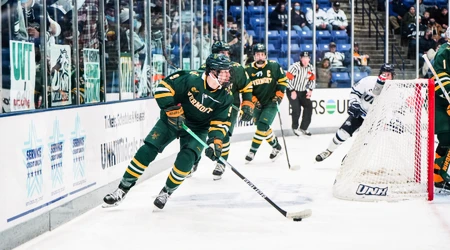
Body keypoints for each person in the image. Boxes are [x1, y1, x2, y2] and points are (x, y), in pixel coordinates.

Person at [103, 53, 233, 209]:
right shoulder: (190, 78)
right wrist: (172, 110)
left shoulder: (226, 96)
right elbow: (163, 88)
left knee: (186, 160)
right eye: (223, 71)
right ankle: (122, 189)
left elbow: (219, 123)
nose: (227, 75)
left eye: (228, 71)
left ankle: (166, 191)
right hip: (171, 121)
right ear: (211, 72)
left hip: (198, 129)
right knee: (147, 150)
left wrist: (215, 143)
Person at [190, 41, 254, 180]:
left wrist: (247, 103)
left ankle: (221, 162)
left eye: (226, 53)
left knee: (223, 135)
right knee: (200, 135)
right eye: (221, 53)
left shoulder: (237, 68)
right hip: (209, 107)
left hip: (229, 107)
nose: (225, 55)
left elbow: (246, 87)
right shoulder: (204, 69)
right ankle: (193, 161)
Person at [315, 63, 396, 162]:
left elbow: (392, 109)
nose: (386, 77)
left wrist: (392, 120)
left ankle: (349, 159)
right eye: (384, 74)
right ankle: (328, 151)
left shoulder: (394, 90)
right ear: (380, 74)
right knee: (343, 133)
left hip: (374, 120)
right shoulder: (368, 81)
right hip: (360, 113)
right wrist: (354, 104)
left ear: (392, 76)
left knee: (364, 142)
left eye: (389, 75)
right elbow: (355, 92)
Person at [244, 43, 288, 162]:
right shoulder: (247, 69)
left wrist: (279, 95)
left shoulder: (274, 66)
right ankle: (276, 147)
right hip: (257, 104)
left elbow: (283, 81)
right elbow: (246, 88)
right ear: (254, 56)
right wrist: (253, 100)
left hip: (271, 102)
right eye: (257, 54)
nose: (260, 57)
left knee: (262, 126)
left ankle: (252, 152)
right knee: (263, 127)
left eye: (262, 54)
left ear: (265, 55)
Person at [431, 27, 450, 193]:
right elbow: (440, 77)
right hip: (441, 103)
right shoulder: (445, 51)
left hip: (446, 103)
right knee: (447, 137)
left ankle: (440, 176)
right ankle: (439, 177)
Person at [286, 51, 315, 136]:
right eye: (303, 58)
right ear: (300, 59)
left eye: (307, 58)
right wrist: (292, 90)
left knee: (309, 106)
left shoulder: (311, 68)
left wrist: (310, 90)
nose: (305, 60)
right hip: (292, 90)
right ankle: (295, 127)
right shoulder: (295, 67)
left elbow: (312, 80)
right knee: (296, 109)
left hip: (303, 91)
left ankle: (303, 128)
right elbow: (287, 79)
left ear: (309, 59)